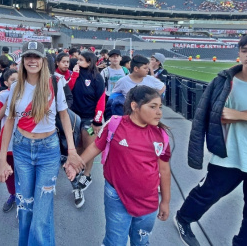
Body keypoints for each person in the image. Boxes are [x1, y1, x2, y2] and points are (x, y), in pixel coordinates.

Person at [175, 33, 247, 246]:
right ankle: (183, 219)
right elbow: (204, 118)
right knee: (205, 195)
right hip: (229, 157)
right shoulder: (224, 82)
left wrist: (242, 115)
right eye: (244, 50)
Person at [0, 41, 84, 246]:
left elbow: (64, 116)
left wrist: (71, 150)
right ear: (23, 60)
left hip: (48, 150)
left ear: (43, 61)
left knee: (41, 213)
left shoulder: (55, 83)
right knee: (25, 208)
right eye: (28, 57)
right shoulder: (16, 86)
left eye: (36, 57)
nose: (32, 60)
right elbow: (8, 122)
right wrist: (1, 159)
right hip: (21, 148)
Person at [66, 86, 171, 246]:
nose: (159, 112)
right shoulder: (115, 125)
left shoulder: (160, 135)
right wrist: (76, 165)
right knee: (115, 241)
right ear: (135, 106)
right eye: (152, 106)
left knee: (141, 242)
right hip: (116, 196)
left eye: (160, 107)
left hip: (148, 201)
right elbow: (95, 147)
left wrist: (165, 201)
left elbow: (164, 170)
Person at [70, 51, 105, 207]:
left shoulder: (97, 78)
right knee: (76, 146)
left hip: (89, 120)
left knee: (90, 147)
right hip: (74, 118)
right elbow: (68, 89)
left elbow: (101, 99)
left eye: (82, 60)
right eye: (78, 59)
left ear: (90, 61)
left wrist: (97, 121)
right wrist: (75, 75)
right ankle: (77, 171)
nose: (78, 61)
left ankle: (87, 174)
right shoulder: (74, 73)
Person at [0, 69, 19, 212]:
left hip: (25, 141)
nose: (16, 82)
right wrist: (8, 102)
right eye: (13, 80)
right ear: (6, 83)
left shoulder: (28, 93)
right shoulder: (2, 95)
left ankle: (26, 197)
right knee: (10, 172)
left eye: (18, 79)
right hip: (8, 144)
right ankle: (13, 195)